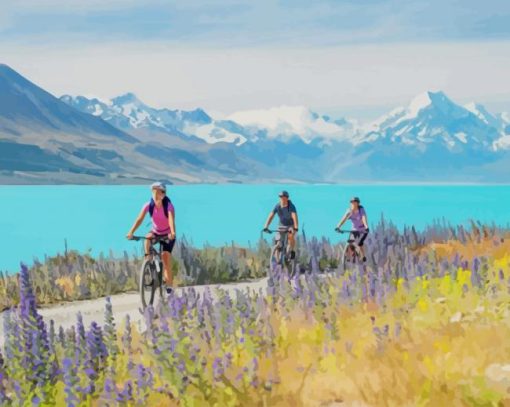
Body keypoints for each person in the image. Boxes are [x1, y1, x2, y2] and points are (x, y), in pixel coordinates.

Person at [126, 182, 176, 295]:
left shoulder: (168, 206)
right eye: (153, 192)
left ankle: (168, 287)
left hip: (168, 234)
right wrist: (131, 232)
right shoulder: (148, 205)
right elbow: (139, 219)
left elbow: (171, 220)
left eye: (157, 192)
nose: (155, 194)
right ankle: (148, 262)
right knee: (147, 238)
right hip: (156, 232)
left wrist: (172, 232)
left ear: (163, 194)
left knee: (165, 258)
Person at [263, 190, 299, 259]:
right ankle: (278, 256)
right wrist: (266, 226)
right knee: (278, 240)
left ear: (287, 198)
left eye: (283, 197)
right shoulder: (277, 206)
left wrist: (296, 227)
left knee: (291, 237)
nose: (281, 199)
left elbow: (294, 216)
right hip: (281, 225)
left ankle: (292, 251)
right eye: (280, 197)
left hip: (290, 225)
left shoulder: (291, 206)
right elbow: (271, 215)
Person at [335, 196, 369, 261]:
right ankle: (349, 255)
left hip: (363, 230)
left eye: (354, 202)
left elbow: (364, 218)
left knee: (360, 243)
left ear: (358, 204)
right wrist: (338, 226)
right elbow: (343, 219)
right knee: (350, 242)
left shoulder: (361, 209)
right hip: (354, 229)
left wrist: (366, 227)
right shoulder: (349, 211)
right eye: (351, 202)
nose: (352, 204)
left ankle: (363, 256)